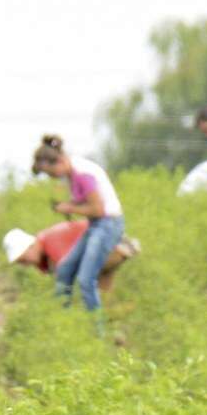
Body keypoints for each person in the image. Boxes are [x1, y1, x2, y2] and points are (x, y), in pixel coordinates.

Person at [30, 134, 125, 316]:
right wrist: (71, 206)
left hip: (108, 224)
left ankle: (96, 330)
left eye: (51, 173)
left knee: (86, 279)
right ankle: (62, 320)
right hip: (97, 225)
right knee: (64, 270)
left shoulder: (82, 174)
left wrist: (69, 206)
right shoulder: (72, 174)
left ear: (59, 161)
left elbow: (98, 209)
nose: (52, 177)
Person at [3, 220, 140, 293]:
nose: (24, 264)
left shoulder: (51, 242)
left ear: (30, 246)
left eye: (23, 259)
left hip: (114, 247)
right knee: (104, 297)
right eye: (20, 262)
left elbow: (64, 281)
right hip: (105, 252)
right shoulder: (44, 255)